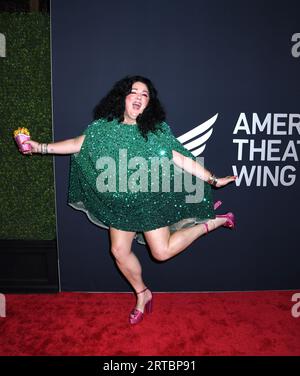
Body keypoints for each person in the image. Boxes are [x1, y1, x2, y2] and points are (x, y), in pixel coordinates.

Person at [22, 75, 236, 325]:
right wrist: (39, 147)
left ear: (149, 103)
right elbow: (76, 144)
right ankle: (142, 294)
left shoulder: (157, 131)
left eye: (144, 94)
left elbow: (182, 158)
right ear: (122, 97)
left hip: (151, 202)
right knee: (119, 251)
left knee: (162, 252)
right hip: (121, 205)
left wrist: (214, 180)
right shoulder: (103, 128)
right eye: (134, 92)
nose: (138, 97)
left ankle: (213, 222)